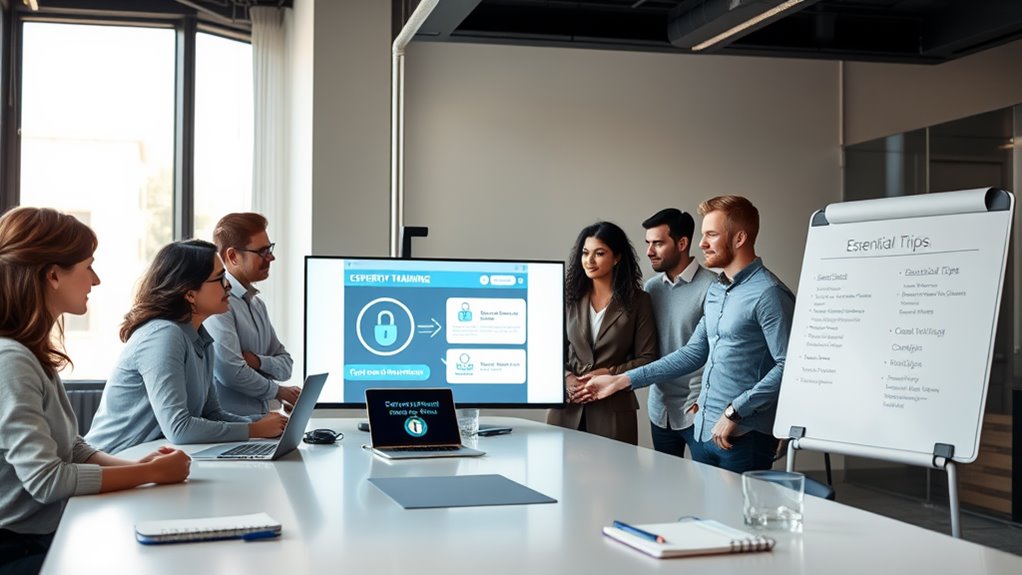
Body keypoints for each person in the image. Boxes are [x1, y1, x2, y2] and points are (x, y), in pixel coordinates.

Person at [0, 208, 190, 575]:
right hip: (15, 548)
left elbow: (71, 447)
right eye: (88, 266)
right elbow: (47, 480)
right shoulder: (11, 360)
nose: (96, 279)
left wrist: (140, 466)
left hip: (43, 534)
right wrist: (149, 475)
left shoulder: (32, 352)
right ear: (53, 275)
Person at [584, 196, 794, 473]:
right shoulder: (718, 290)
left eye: (711, 235)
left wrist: (736, 411)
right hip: (705, 430)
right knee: (703, 513)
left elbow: (788, 366)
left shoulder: (769, 293)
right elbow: (692, 353)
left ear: (740, 238)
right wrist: (621, 380)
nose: (701, 243)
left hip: (743, 436)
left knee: (736, 516)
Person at [86, 240, 288, 454]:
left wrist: (262, 424)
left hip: (150, 457)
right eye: (220, 278)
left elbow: (212, 413)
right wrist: (252, 429)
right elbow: (179, 428)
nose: (228, 285)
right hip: (114, 460)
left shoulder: (202, 337)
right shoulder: (163, 335)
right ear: (190, 294)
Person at [546, 221, 658, 445]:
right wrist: (566, 378)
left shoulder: (639, 301)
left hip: (614, 409)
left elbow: (648, 359)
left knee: (612, 478)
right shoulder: (567, 298)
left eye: (599, 253)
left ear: (616, 257)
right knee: (559, 475)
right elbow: (548, 351)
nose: (589, 260)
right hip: (568, 405)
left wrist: (609, 372)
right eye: (585, 253)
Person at [205, 213, 298, 419]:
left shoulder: (257, 304)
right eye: (262, 251)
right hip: (231, 431)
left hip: (260, 425)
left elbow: (286, 364)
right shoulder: (218, 306)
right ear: (232, 257)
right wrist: (279, 391)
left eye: (270, 249)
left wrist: (257, 362)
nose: (271, 257)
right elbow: (231, 372)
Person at [641, 208, 715, 459]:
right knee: (665, 487)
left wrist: (706, 401)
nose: (650, 251)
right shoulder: (650, 289)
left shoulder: (713, 287)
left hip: (697, 409)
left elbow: (714, 353)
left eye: (658, 243)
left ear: (682, 243)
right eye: (648, 243)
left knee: (709, 488)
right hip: (660, 409)